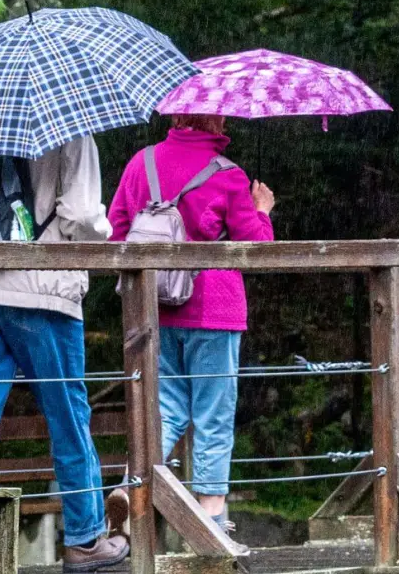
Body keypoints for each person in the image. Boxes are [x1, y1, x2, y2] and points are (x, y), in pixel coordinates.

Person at [0, 136, 129, 572]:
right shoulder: (72, 129)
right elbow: (81, 217)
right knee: (67, 416)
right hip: (42, 290)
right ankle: (85, 539)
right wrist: (107, 232)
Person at [107, 114, 275, 538]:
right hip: (214, 306)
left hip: (153, 308)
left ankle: (131, 488)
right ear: (216, 119)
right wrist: (262, 211)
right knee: (213, 412)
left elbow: (116, 235)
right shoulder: (228, 174)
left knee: (164, 407)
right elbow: (255, 247)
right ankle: (211, 514)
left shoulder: (140, 163)